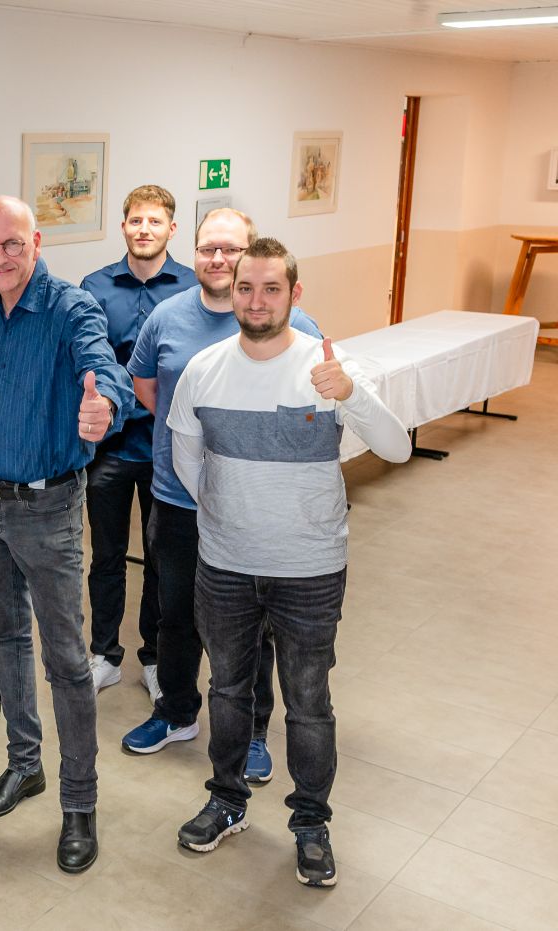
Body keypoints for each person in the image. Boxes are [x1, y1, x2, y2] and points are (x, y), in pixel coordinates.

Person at [169, 237, 409, 887]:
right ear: (231, 292)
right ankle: (227, 802)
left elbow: (397, 447)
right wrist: (229, 515)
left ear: (294, 294)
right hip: (225, 565)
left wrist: (351, 394)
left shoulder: (329, 365)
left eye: (272, 288)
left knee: (308, 702)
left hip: (310, 569)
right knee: (227, 691)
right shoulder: (204, 369)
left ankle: (310, 824)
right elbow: (188, 458)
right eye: (246, 287)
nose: (257, 300)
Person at [0, 196, 133, 875]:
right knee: (7, 637)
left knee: (67, 660)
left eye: (11, 243)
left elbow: (107, 372)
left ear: (36, 241)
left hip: (48, 510)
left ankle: (79, 801)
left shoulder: (72, 309)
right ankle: (25, 764)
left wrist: (105, 404)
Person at [123, 210, 323, 780]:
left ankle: (253, 731)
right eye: (208, 248)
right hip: (178, 499)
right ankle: (176, 711)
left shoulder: (292, 323)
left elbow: (318, 398)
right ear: (193, 252)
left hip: (255, 508)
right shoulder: (166, 316)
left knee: (253, 625)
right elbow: (148, 386)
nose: (218, 259)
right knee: (175, 614)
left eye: (231, 249)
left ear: (250, 255)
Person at [79, 186, 195, 696]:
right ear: (123, 225)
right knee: (105, 557)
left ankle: (154, 656)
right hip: (109, 448)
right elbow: (91, 361)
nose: (144, 229)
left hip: (167, 449)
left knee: (160, 559)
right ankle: (104, 653)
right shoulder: (94, 286)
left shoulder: (192, 288)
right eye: (135, 220)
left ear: (172, 229)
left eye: (155, 221)